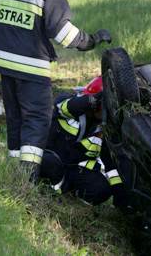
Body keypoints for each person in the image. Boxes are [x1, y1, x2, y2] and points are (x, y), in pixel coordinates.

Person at [0, 0, 112, 182]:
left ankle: (13, 171)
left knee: (15, 118)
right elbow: (64, 34)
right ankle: (27, 179)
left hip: (4, 67)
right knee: (37, 120)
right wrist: (91, 40)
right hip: (32, 69)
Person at [42, 77, 128, 207]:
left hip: (75, 169)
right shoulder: (69, 104)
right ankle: (48, 191)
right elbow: (68, 107)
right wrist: (96, 98)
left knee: (101, 190)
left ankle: (69, 190)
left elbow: (110, 164)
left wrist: (119, 192)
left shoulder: (104, 127)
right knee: (50, 163)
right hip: (52, 158)